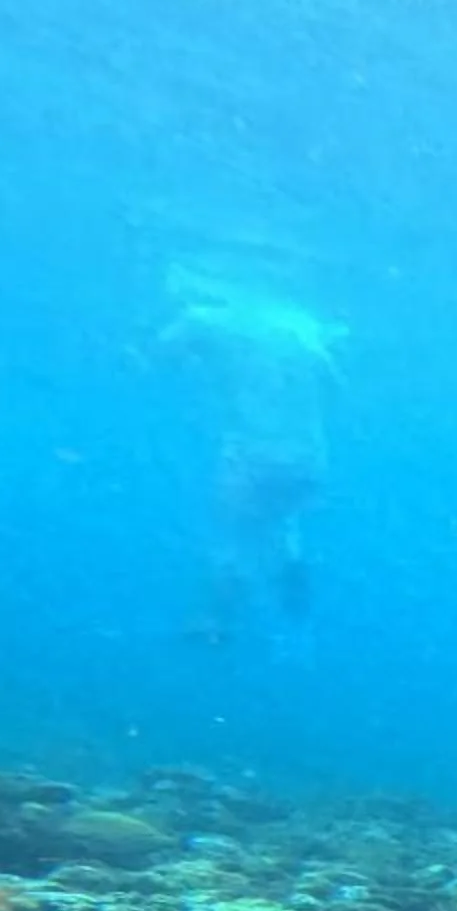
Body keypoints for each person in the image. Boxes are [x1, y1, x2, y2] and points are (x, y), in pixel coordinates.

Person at [158, 263, 344, 642]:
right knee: (283, 519)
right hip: (309, 458)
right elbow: (335, 385)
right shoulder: (303, 325)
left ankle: (216, 620)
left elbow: (160, 354)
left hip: (251, 452)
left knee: (232, 534)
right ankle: (291, 565)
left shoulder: (207, 318)